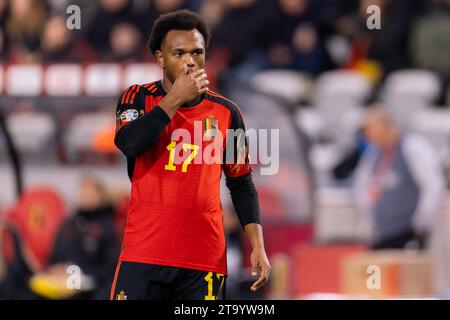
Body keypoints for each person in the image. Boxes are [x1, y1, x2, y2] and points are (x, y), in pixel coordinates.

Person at [110, 9, 270, 300]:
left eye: (197, 52)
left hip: (204, 261)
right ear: (160, 58)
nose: (190, 61)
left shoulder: (227, 112)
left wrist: (257, 244)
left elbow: (241, 182)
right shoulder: (138, 97)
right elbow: (130, 143)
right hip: (145, 254)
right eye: (179, 53)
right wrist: (175, 99)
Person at [354, 106, 446, 250]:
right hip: (382, 233)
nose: (368, 135)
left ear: (386, 126)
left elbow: (432, 184)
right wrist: (370, 218)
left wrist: (422, 221)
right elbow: (362, 187)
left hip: (408, 232)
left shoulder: (412, 146)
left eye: (372, 128)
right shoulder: (374, 155)